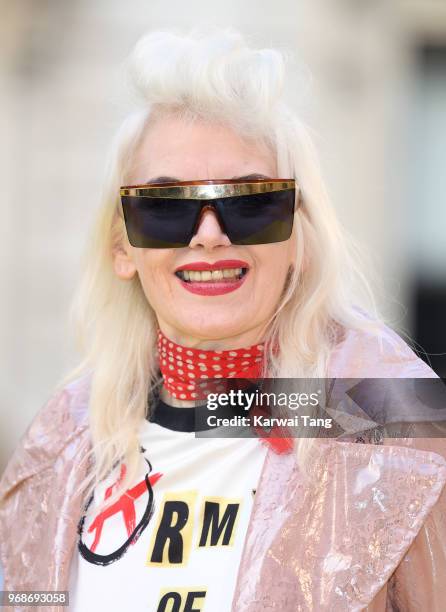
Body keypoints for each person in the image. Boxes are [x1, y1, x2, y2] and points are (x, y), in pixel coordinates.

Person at [1, 28, 445, 612]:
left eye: (250, 201)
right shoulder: (64, 441)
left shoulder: (397, 432)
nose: (208, 236)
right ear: (122, 246)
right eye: (164, 207)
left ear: (300, 238)